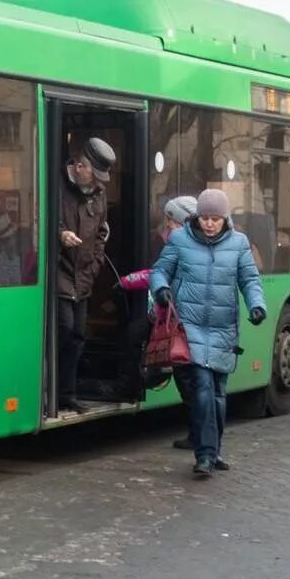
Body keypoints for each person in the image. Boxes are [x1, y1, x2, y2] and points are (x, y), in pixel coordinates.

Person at [150, 188, 266, 477]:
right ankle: (203, 456)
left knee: (218, 395)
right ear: (197, 217)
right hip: (190, 327)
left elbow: (249, 279)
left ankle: (214, 450)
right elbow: (159, 271)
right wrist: (161, 289)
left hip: (223, 328)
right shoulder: (179, 239)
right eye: (204, 218)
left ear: (225, 218)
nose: (209, 223)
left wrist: (257, 305)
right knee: (202, 389)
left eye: (215, 218)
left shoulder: (239, 244)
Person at [117, 195, 198, 450]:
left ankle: (200, 436)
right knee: (135, 336)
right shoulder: (177, 243)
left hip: (181, 322)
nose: (167, 225)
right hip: (167, 318)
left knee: (187, 377)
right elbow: (158, 274)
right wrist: (128, 281)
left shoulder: (187, 247)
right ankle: (135, 382)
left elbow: (159, 275)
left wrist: (129, 281)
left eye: (171, 220)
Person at [56, 136, 117, 414]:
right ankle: (51, 389)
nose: (97, 184)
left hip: (83, 276)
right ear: (79, 167)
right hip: (59, 272)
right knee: (63, 328)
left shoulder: (98, 193)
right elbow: (39, 219)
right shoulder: (56, 186)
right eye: (94, 176)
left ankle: (68, 393)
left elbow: (102, 232)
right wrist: (60, 235)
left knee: (78, 335)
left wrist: (94, 266)